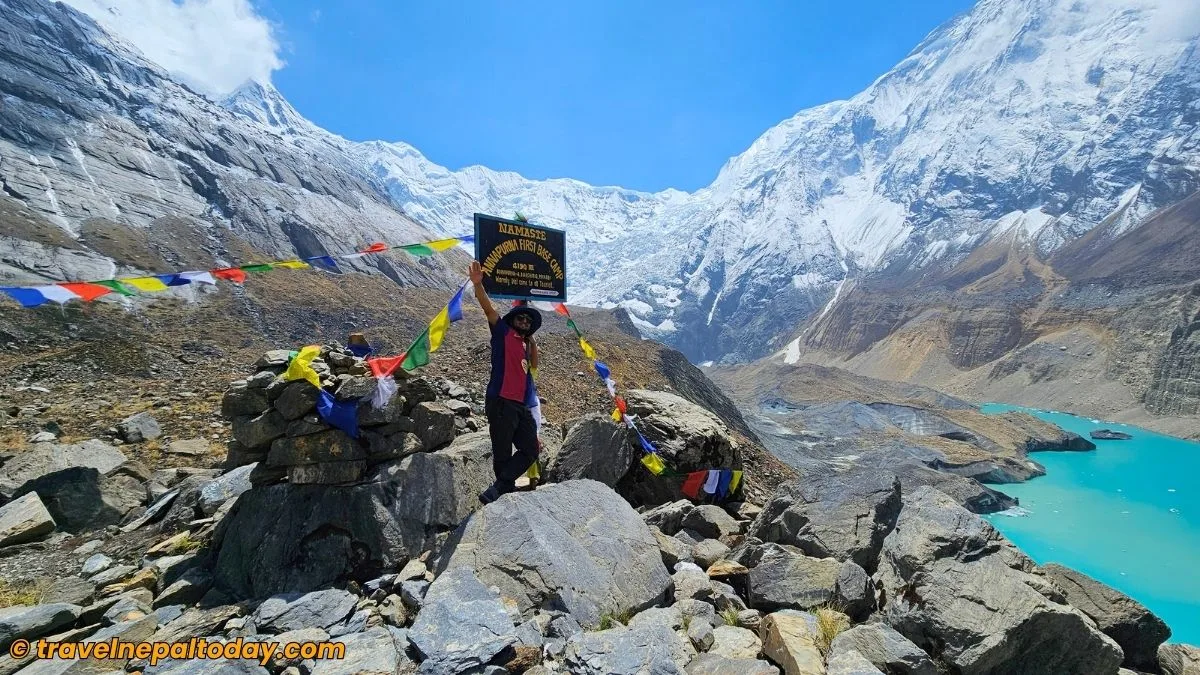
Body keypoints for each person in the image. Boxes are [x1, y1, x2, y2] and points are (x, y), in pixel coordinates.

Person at [469, 260, 542, 504]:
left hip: (520, 406)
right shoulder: (501, 333)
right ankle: (503, 493)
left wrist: (531, 342)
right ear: (512, 320)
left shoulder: (524, 345)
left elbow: (534, 366)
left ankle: (499, 487)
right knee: (502, 454)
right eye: (521, 319)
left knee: (531, 448)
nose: (524, 323)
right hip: (501, 402)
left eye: (528, 321)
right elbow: (488, 309)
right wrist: (478, 285)